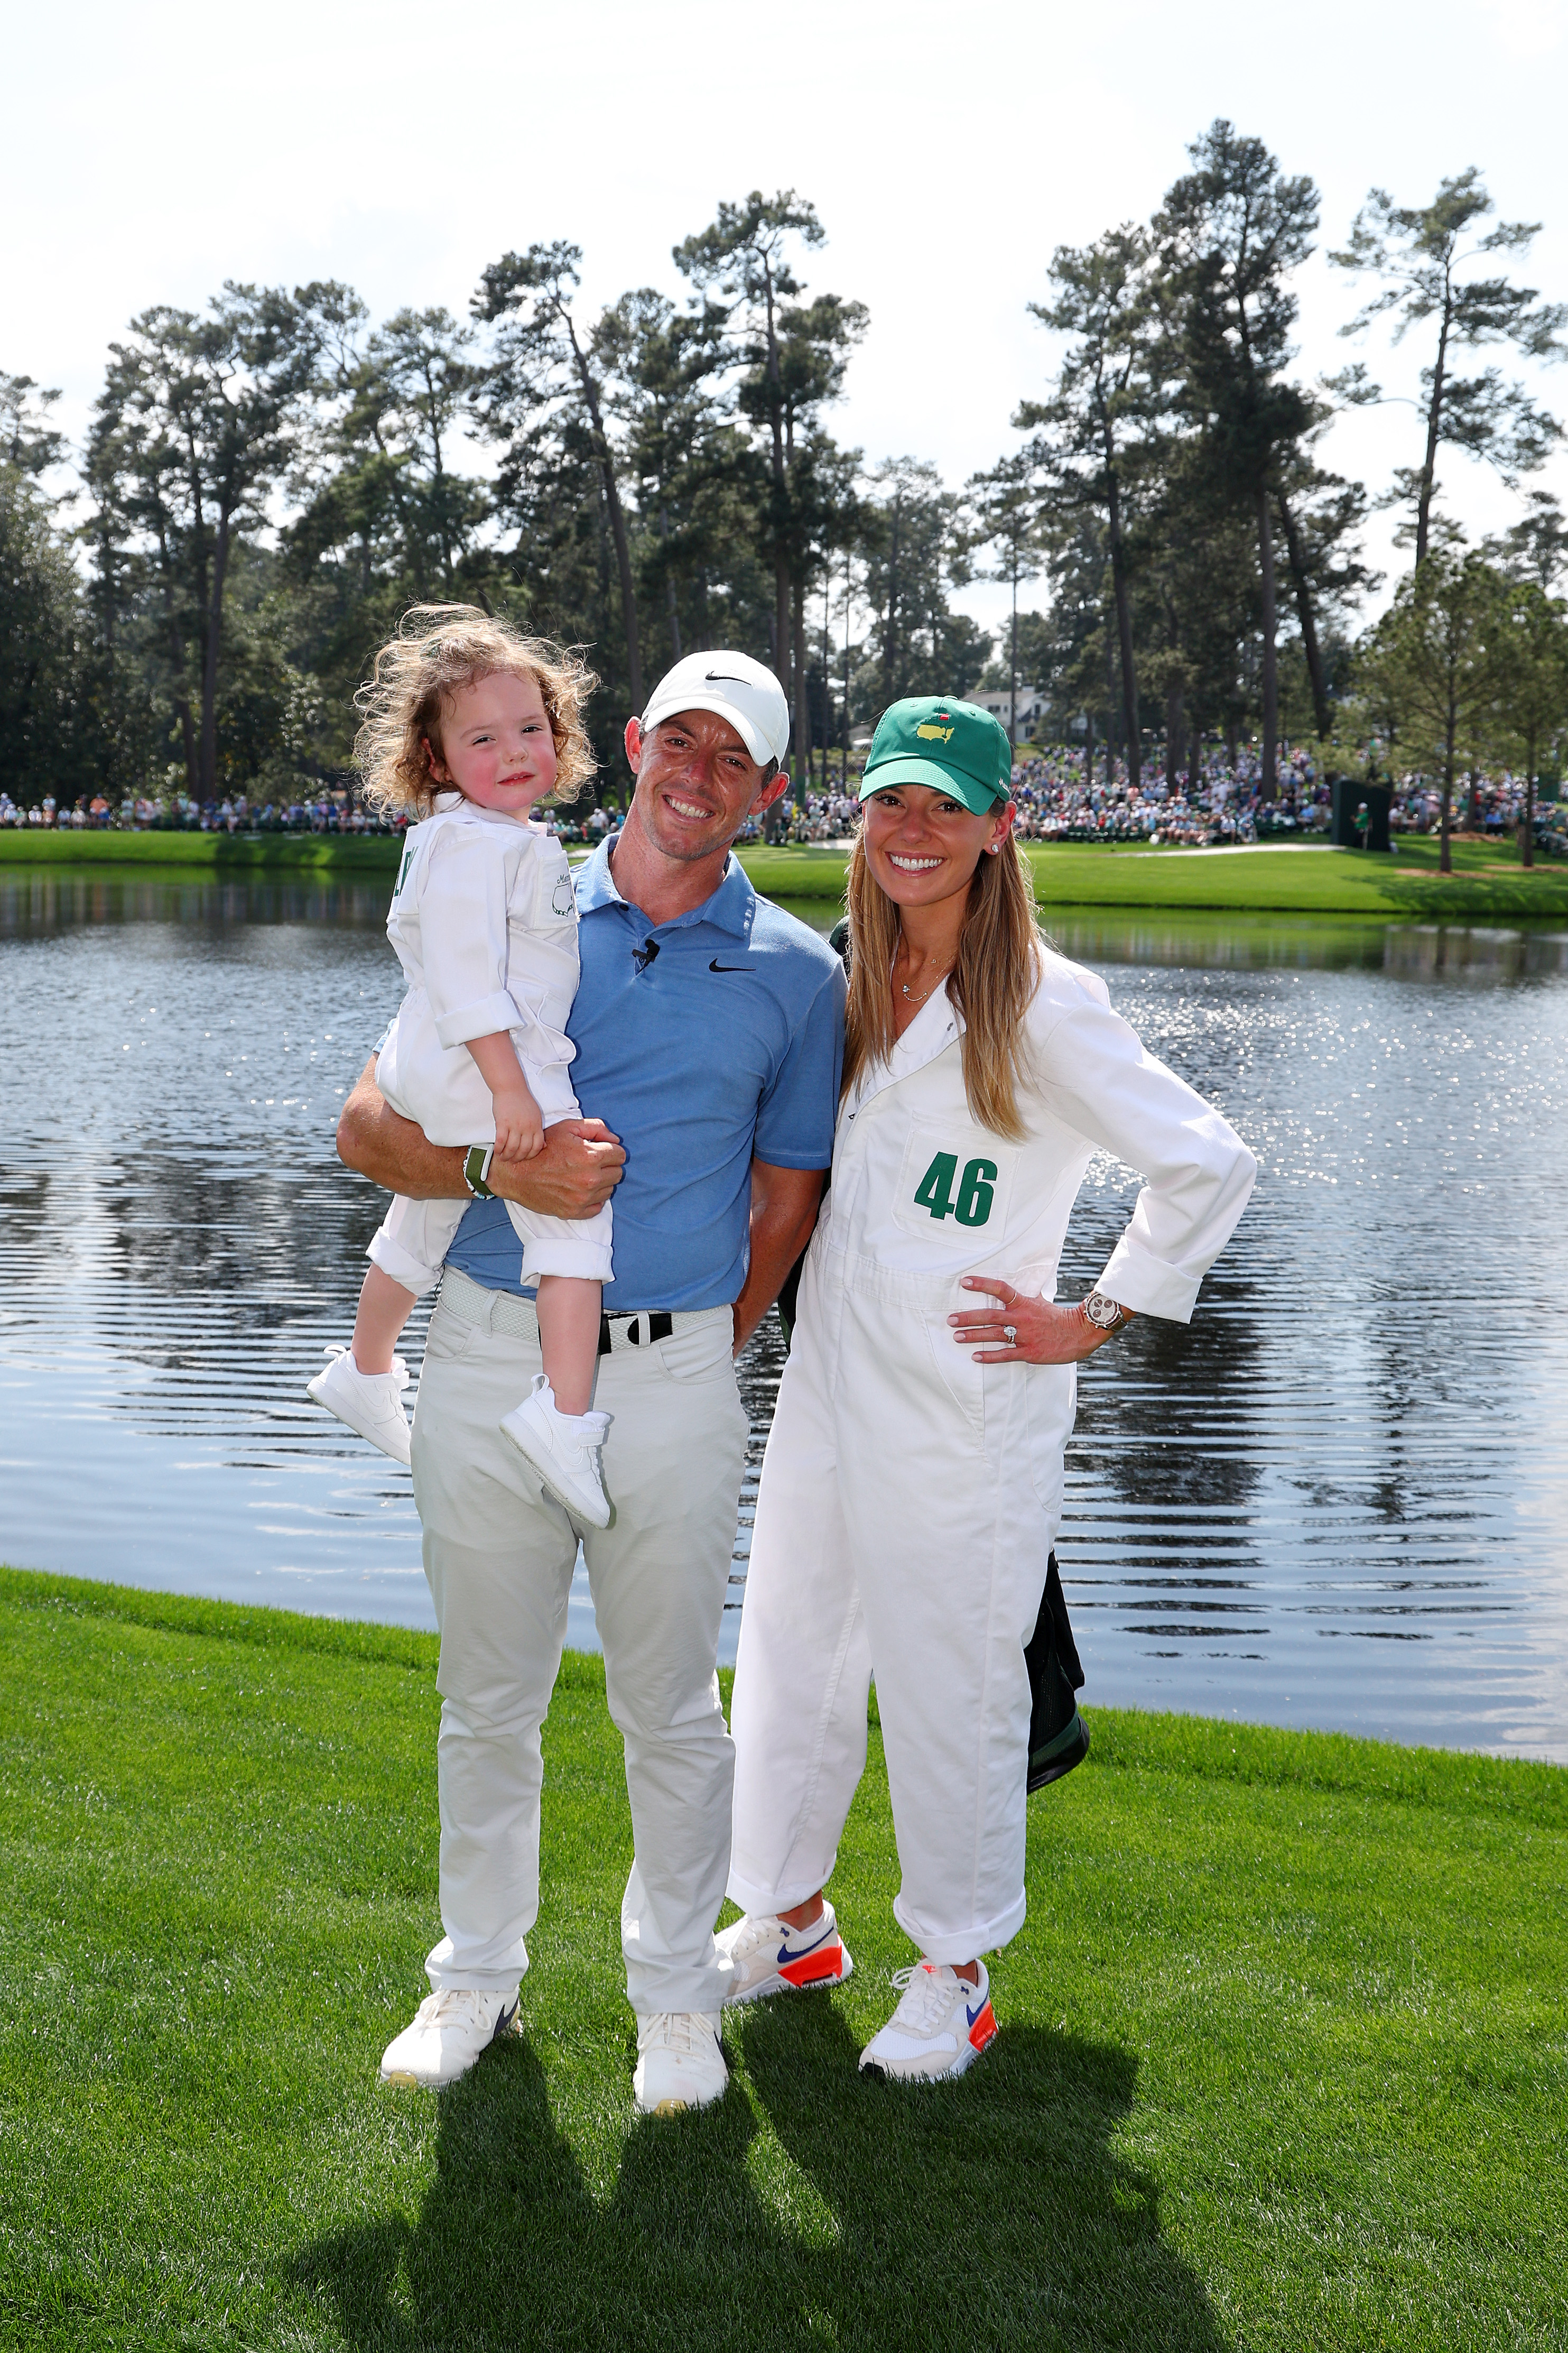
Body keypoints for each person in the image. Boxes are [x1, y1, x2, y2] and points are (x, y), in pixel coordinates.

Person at [334, 649, 844, 2115]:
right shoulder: (511, 886)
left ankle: (675, 1994)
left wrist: (707, 1341)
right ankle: (476, 1974)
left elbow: (787, 1196)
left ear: (768, 789)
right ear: (627, 744)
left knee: (675, 1711)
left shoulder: (800, 974)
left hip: (677, 1374)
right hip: (491, 1343)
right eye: (675, 739)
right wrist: (506, 1163)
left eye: (731, 756)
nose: (696, 772)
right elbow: (367, 1125)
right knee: (485, 1698)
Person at [718, 696, 1257, 2081]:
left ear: (1001, 826)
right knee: (790, 1646)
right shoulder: (846, 977)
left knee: (951, 1679)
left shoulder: (1045, 1003)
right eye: (892, 800)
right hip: (830, 1369)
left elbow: (1208, 1161)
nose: (912, 830)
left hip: (966, 1398)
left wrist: (1096, 1316)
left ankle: (955, 1968)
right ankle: (788, 1919)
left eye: (945, 807)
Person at [307, 609, 616, 1524]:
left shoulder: (463, 834)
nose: (517, 751)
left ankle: (365, 1368)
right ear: (437, 761)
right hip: (485, 1061)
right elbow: (467, 975)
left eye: (533, 730)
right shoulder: (481, 843)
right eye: (484, 738)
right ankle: (563, 1416)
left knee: (432, 1199)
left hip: (434, 1059)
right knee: (570, 1208)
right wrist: (514, 1092)